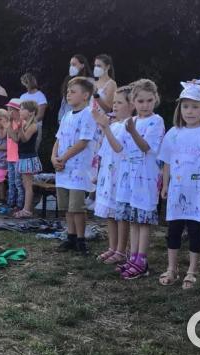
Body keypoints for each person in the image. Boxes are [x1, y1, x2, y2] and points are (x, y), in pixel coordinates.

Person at [157, 85, 200, 289]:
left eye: (194, 107)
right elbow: (166, 161)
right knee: (173, 230)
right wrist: (165, 184)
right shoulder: (173, 132)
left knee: (195, 230)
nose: (189, 111)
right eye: (185, 107)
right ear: (179, 109)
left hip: (198, 192)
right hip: (177, 191)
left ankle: (192, 270)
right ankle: (172, 268)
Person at [116, 79, 165, 280]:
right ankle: (133, 256)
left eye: (149, 101)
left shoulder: (157, 121)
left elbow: (146, 147)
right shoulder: (131, 122)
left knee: (143, 221)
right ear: (133, 102)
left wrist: (133, 132)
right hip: (131, 179)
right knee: (134, 220)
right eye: (141, 101)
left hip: (146, 178)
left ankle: (142, 260)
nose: (145, 105)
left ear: (155, 100)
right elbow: (122, 149)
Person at [53, 77, 97, 255]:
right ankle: (70, 237)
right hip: (63, 169)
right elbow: (58, 138)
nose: (68, 94)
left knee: (77, 207)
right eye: (68, 91)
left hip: (78, 169)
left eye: (73, 92)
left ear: (85, 95)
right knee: (66, 207)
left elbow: (83, 142)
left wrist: (63, 158)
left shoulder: (88, 114)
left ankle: (81, 239)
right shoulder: (66, 115)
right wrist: (53, 157)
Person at [92, 86, 134, 265]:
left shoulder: (130, 125)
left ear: (131, 105)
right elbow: (103, 151)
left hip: (121, 175)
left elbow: (120, 149)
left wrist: (105, 128)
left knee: (120, 215)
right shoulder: (114, 124)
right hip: (108, 174)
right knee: (110, 213)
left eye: (119, 102)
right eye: (114, 102)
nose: (114, 106)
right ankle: (112, 247)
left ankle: (121, 250)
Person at [10, 100, 43, 218]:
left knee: (28, 185)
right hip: (23, 156)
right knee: (25, 185)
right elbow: (15, 138)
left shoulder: (34, 125)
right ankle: (26, 209)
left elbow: (25, 139)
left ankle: (27, 210)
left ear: (31, 112)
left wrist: (19, 128)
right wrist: (9, 123)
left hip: (29, 157)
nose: (20, 111)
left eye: (23, 109)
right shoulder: (24, 124)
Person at [58, 55, 91, 124]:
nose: (71, 67)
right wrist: (60, 118)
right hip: (66, 118)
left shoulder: (89, 81)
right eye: (70, 65)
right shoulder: (68, 80)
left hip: (82, 120)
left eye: (74, 64)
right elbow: (64, 102)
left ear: (82, 65)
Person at [20, 73, 48, 151]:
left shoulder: (40, 96)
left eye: (25, 83)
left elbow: (40, 115)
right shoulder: (23, 96)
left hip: (35, 127)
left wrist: (29, 124)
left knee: (32, 149)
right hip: (22, 127)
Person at [5, 99, 25, 211]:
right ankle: (10, 203)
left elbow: (16, 139)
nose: (8, 112)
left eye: (10, 110)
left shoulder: (21, 123)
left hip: (18, 157)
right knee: (11, 181)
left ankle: (20, 204)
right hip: (10, 157)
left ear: (16, 111)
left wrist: (8, 125)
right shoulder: (11, 123)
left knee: (18, 182)